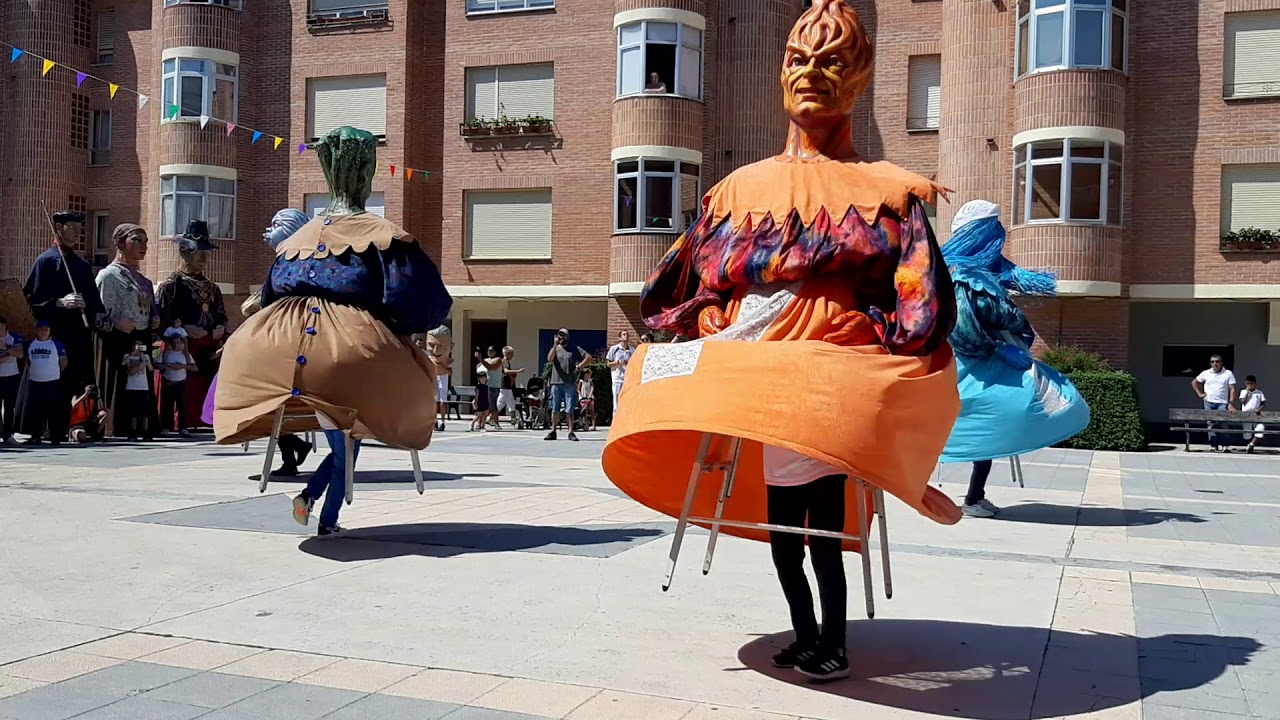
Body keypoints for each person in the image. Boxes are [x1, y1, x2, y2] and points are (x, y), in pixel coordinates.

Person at [602, 0, 963, 682]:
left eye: (832, 63)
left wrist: (864, 353)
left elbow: (920, 312)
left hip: (825, 407)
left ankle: (834, 643)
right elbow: (681, 290)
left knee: (825, 542)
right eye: (798, 59)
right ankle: (807, 636)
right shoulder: (737, 190)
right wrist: (718, 327)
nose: (811, 75)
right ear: (780, 71)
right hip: (764, 407)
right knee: (783, 546)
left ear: (858, 80)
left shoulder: (888, 194)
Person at [216, 126, 452, 539]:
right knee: (360, 428)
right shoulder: (382, 237)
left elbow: (269, 294)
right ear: (368, 172)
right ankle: (317, 509)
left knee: (347, 440)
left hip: (272, 350)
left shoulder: (300, 238)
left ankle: (318, 510)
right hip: (345, 353)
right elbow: (420, 303)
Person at [937, 200, 1090, 518]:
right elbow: (961, 327)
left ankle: (972, 497)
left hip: (984, 364)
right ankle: (961, 497)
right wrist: (996, 348)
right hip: (977, 365)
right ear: (981, 235)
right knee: (1015, 412)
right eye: (995, 232)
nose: (1000, 237)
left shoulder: (976, 273)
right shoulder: (963, 277)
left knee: (991, 428)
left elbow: (1008, 275)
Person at [23, 210, 106, 409]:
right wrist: (60, 302)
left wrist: (99, 315)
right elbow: (31, 302)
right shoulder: (45, 262)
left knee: (80, 382)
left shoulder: (83, 266)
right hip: (54, 336)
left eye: (80, 228)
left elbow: (95, 303)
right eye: (73, 228)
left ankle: (81, 421)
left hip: (79, 337)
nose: (78, 232)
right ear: (58, 228)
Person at [157, 220, 227, 428]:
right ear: (184, 251)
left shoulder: (213, 288)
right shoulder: (171, 286)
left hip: (208, 350)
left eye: (207, 252)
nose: (204, 257)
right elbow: (160, 320)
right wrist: (183, 329)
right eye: (199, 251)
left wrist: (221, 328)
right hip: (184, 349)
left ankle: (207, 421)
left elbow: (221, 315)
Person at [95, 223, 159, 436]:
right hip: (118, 340)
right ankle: (117, 423)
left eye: (146, 242)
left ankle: (144, 425)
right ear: (120, 243)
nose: (143, 246)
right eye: (137, 240)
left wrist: (154, 319)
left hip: (141, 338)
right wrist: (115, 323)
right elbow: (98, 314)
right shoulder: (109, 276)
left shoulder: (145, 281)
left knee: (142, 382)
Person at [21, 320, 69, 445]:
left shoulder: (56, 344)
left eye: (46, 329)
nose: (44, 332)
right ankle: (35, 435)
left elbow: (63, 361)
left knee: (53, 410)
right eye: (41, 329)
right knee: (36, 410)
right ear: (37, 330)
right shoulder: (31, 344)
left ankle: (54, 436)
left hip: (52, 381)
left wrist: (56, 372)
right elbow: (27, 360)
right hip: (35, 381)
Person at [545, 328, 591, 442]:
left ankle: (571, 432)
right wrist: (554, 345)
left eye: (563, 335)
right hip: (556, 382)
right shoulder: (556, 348)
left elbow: (588, 357)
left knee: (569, 408)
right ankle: (553, 431)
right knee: (555, 407)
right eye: (559, 335)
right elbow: (549, 359)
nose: (560, 337)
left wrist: (579, 366)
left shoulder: (574, 348)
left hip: (569, 383)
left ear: (567, 336)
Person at [158, 330, 198, 436]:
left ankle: (183, 428)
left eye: (178, 343)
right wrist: (169, 366)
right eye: (174, 343)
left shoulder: (185, 355)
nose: (176, 345)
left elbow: (194, 367)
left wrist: (182, 366)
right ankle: (166, 427)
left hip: (181, 383)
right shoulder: (165, 354)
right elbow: (157, 365)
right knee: (167, 406)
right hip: (168, 382)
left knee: (182, 407)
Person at [1193, 355, 1237, 451]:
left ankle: (1225, 445)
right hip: (1209, 402)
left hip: (1223, 402)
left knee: (1223, 423)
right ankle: (1213, 445)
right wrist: (1200, 394)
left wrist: (1231, 403)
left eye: (1217, 361)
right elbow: (1194, 382)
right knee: (1210, 423)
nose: (1215, 364)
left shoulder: (1228, 373)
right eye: (1212, 362)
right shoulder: (1206, 373)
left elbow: (1232, 388)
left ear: (1221, 362)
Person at [120, 341, 154, 441]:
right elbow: (123, 364)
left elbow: (151, 369)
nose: (139, 347)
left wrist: (145, 360)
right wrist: (132, 355)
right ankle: (133, 432)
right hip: (131, 386)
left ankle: (145, 432)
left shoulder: (145, 356)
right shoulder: (128, 356)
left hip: (143, 387)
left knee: (144, 412)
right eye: (137, 345)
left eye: (141, 345)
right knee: (133, 412)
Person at [0, 316, 24, 445]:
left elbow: (20, 353)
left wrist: (6, 348)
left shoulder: (13, 337)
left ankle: (8, 435)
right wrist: (10, 354)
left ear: (5, 326)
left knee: (10, 408)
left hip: (12, 376)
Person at [425, 326, 454, 432]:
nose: (436, 350)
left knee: (442, 402)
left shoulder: (447, 360)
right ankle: (435, 421)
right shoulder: (427, 358)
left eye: (441, 345)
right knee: (434, 402)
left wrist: (440, 366)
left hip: (443, 380)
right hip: (433, 380)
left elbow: (449, 371)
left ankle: (442, 421)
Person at [475, 346, 504, 428]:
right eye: (488, 350)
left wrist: (480, 359)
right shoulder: (485, 360)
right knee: (481, 405)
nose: (489, 352)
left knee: (491, 405)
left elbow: (490, 367)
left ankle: (496, 422)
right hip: (482, 386)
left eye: (491, 350)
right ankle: (479, 422)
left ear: (495, 352)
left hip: (492, 386)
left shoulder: (498, 360)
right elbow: (479, 369)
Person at [606, 330, 633, 412]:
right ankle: (615, 420)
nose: (626, 336)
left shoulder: (632, 350)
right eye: (624, 334)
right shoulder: (614, 349)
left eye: (627, 334)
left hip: (628, 378)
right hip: (617, 377)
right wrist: (618, 362)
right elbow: (608, 363)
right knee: (617, 399)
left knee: (628, 400)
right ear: (620, 338)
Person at [1240, 374, 1267, 454]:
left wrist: (1259, 409)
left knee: (1260, 428)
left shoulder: (1259, 392)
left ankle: (1252, 444)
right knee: (1247, 432)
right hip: (1246, 414)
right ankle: (1248, 445)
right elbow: (1242, 402)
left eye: (1251, 383)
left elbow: (1263, 403)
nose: (1249, 385)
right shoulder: (1243, 391)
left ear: (1255, 384)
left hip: (1256, 414)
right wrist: (1247, 393)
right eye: (1247, 383)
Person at [497, 346, 521, 420]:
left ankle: (513, 418)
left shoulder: (506, 362)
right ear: (507, 354)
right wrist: (518, 371)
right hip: (504, 385)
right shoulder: (504, 362)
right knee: (500, 403)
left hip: (507, 386)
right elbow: (506, 371)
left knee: (511, 402)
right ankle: (490, 416)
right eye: (511, 354)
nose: (512, 356)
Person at [471, 360, 492, 431]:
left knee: (484, 415)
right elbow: (476, 396)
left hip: (486, 402)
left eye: (484, 378)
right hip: (479, 402)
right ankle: (473, 423)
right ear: (478, 379)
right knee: (479, 415)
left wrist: (489, 403)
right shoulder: (478, 387)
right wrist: (475, 403)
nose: (483, 379)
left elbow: (488, 395)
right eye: (481, 378)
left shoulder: (487, 387)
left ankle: (483, 426)